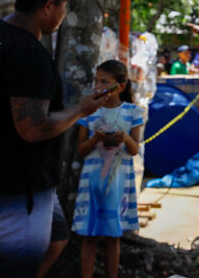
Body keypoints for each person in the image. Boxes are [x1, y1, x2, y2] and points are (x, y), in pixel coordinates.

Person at [0, 0, 106, 277]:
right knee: (16, 267)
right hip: (13, 184)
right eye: (64, 4)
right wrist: (80, 109)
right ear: (48, 6)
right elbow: (33, 128)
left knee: (57, 237)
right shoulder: (27, 53)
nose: (65, 12)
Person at [72, 60, 143, 278]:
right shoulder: (88, 112)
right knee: (89, 235)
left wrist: (123, 139)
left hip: (118, 184)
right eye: (97, 81)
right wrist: (96, 140)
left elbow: (134, 149)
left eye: (105, 81)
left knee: (114, 236)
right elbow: (81, 150)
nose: (98, 86)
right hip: (92, 183)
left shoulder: (133, 112)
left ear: (120, 87)